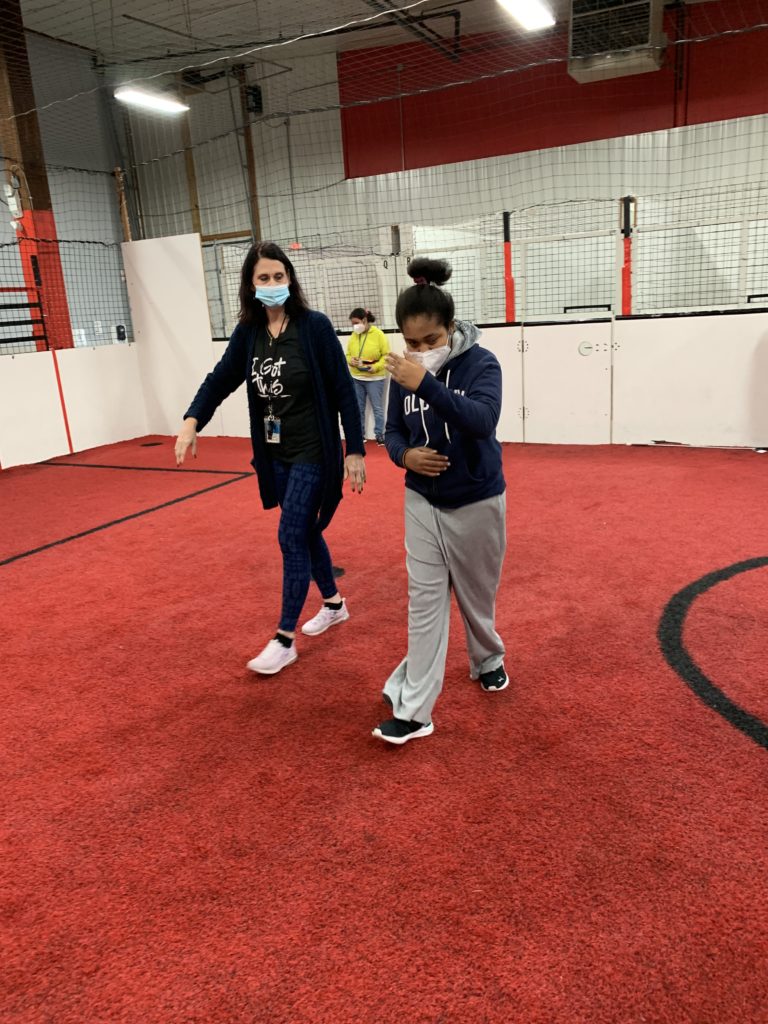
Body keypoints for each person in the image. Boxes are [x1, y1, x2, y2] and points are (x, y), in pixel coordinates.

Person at [175, 241, 365, 676]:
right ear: (251, 284)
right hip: (274, 453)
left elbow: (342, 391)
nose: (273, 284)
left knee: (289, 535)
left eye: (279, 276)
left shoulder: (314, 327)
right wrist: (192, 420)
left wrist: (354, 448)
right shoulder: (249, 333)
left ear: (290, 280)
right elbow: (220, 378)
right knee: (305, 530)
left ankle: (284, 638)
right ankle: (334, 603)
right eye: (264, 278)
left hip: (314, 451)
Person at [374, 257, 508, 745]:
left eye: (430, 341)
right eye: (411, 343)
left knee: (476, 596)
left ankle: (487, 657)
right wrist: (404, 456)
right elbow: (390, 432)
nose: (420, 351)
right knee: (424, 602)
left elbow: (482, 420)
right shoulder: (402, 372)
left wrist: (426, 383)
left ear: (450, 330)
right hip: (421, 502)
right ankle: (415, 711)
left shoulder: (481, 363)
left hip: (476, 498)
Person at [346, 307, 390, 445]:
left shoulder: (378, 334)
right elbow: (347, 354)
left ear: (364, 320)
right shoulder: (354, 335)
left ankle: (379, 434)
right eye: (352, 324)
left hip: (375, 378)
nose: (354, 326)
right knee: (358, 408)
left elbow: (386, 355)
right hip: (357, 377)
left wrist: (375, 367)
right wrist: (350, 360)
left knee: (377, 407)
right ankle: (360, 434)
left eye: (356, 323)